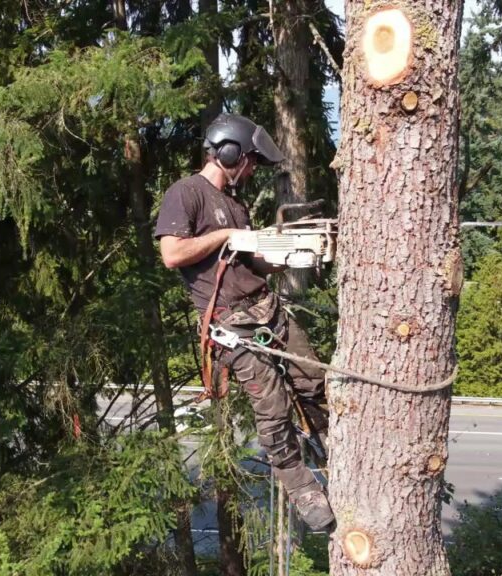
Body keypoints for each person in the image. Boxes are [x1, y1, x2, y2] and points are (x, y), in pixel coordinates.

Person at [154, 113, 335, 531]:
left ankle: (335, 448)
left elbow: (247, 262)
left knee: (312, 380)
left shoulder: (234, 204)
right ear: (228, 151)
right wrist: (222, 237)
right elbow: (172, 255)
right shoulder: (187, 193)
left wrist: (290, 253)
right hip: (230, 324)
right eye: (249, 160)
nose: (251, 168)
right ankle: (302, 488)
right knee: (272, 410)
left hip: (266, 307)